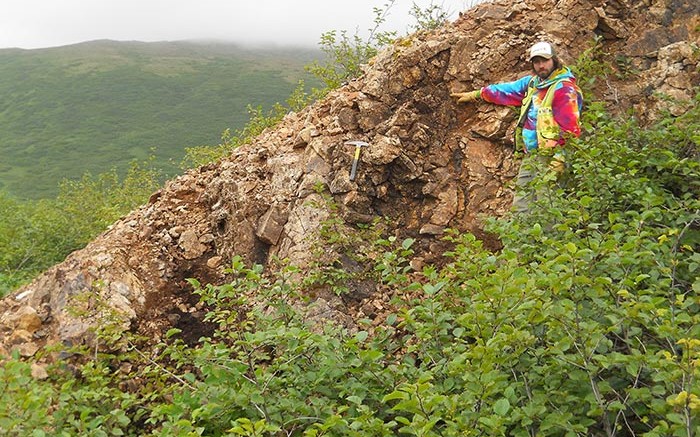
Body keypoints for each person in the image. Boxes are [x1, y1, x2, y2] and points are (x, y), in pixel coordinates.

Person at [451, 41, 583, 212]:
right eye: (536, 62)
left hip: (551, 156)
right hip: (531, 156)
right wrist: (477, 94)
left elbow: (571, 130)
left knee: (549, 208)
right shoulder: (533, 83)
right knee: (521, 206)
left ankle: (551, 239)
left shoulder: (564, 89)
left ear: (555, 60)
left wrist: (560, 159)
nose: (541, 65)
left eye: (545, 60)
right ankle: (524, 239)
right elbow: (506, 90)